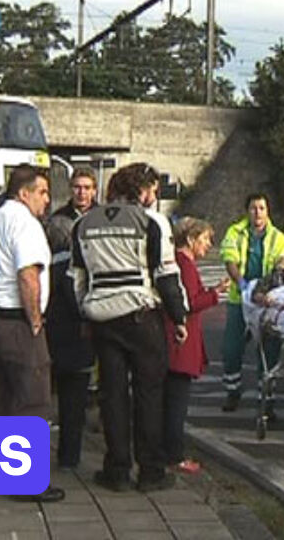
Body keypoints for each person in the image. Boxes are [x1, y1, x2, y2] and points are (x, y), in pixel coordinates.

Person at [70, 162, 188, 492]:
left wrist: (85, 313)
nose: (154, 196)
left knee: (113, 395)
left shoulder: (84, 223)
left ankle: (116, 469)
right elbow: (166, 274)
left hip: (103, 321)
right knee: (149, 395)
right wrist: (179, 318)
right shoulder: (151, 222)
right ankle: (150, 471)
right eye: (152, 189)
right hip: (142, 316)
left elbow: (78, 279)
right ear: (141, 190)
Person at [0, 164, 64, 503]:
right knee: (32, 398)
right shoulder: (25, 224)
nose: (46, 200)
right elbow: (28, 275)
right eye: (41, 192)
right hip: (14, 320)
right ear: (23, 193)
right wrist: (35, 319)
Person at [163, 217, 228, 475]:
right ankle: (174, 454)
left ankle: (167, 450)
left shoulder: (178, 263)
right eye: (205, 240)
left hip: (176, 343)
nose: (208, 246)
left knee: (169, 401)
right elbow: (189, 302)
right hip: (181, 343)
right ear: (191, 239)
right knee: (176, 404)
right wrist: (215, 294)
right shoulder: (185, 265)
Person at [44, 168, 98, 469]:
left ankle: (71, 454)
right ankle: (60, 451)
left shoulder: (102, 219)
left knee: (79, 389)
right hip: (61, 313)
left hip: (94, 309)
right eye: (77, 187)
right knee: (60, 386)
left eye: (87, 187)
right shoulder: (57, 222)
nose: (82, 193)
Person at [219, 193, 284, 412]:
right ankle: (233, 391)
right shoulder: (236, 232)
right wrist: (242, 284)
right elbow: (230, 260)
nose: (258, 212)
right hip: (240, 300)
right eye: (253, 208)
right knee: (231, 348)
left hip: (266, 300)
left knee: (270, 350)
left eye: (261, 208)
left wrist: (280, 272)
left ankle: (267, 398)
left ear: (267, 211)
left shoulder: (278, 238)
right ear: (247, 211)